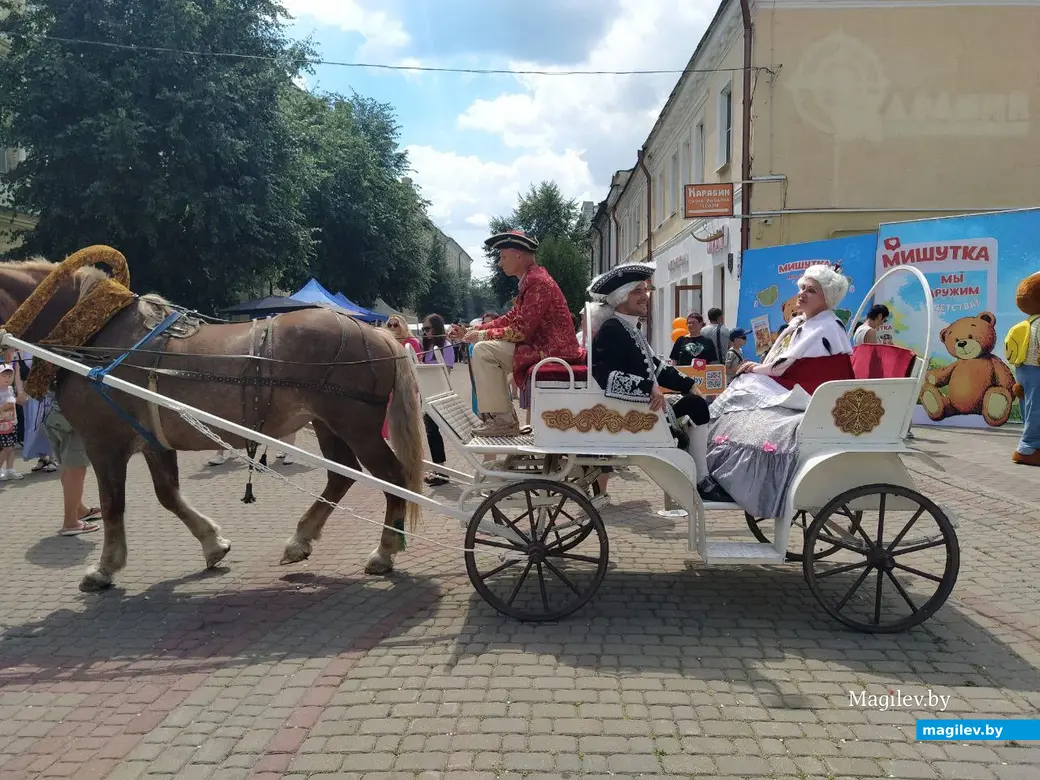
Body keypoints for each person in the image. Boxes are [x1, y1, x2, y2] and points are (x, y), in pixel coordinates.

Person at [704, 265, 854, 518]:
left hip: (810, 391)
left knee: (744, 388)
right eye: (803, 288)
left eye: (812, 291)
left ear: (826, 298)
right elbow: (782, 360)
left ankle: (717, 456)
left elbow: (786, 365)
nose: (803, 294)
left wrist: (759, 369)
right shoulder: (803, 322)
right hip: (793, 382)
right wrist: (759, 369)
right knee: (743, 386)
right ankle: (714, 454)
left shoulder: (826, 327)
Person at [588, 264, 731, 503]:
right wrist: (647, 388)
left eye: (645, 290)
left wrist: (686, 384)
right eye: (637, 291)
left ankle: (700, 475)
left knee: (697, 404)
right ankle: (701, 480)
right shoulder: (613, 329)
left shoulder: (629, 327)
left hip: (646, 406)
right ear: (621, 297)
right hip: (632, 411)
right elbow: (606, 377)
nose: (645, 296)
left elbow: (656, 367)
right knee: (697, 407)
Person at [450, 230, 581, 437]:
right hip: (546, 348)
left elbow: (520, 331)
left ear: (518, 255)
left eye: (503, 257)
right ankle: (501, 417)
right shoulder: (532, 280)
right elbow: (511, 318)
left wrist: (480, 337)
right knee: (483, 347)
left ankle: (502, 420)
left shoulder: (537, 282)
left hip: (552, 351)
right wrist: (474, 330)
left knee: (484, 351)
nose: (500, 263)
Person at [41, 393, 103, 535]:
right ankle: (70, 523)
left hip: (54, 414)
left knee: (67, 467)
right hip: (73, 417)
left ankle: (80, 510)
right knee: (75, 470)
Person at [420, 314, 452, 486]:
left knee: (434, 433)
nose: (425, 332)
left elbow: (447, 370)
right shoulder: (428, 347)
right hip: (426, 395)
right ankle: (439, 468)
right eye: (424, 329)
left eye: (428, 328)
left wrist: (424, 367)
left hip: (438, 396)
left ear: (437, 328)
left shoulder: (445, 346)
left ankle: (442, 471)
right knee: (431, 433)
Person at [0, 361, 23, 481]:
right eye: (4, 376)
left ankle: (10, 470)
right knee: (6, 447)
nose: (7, 379)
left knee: (11, 447)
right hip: (1, 424)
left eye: (9, 376)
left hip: (12, 423)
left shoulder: (9, 389)